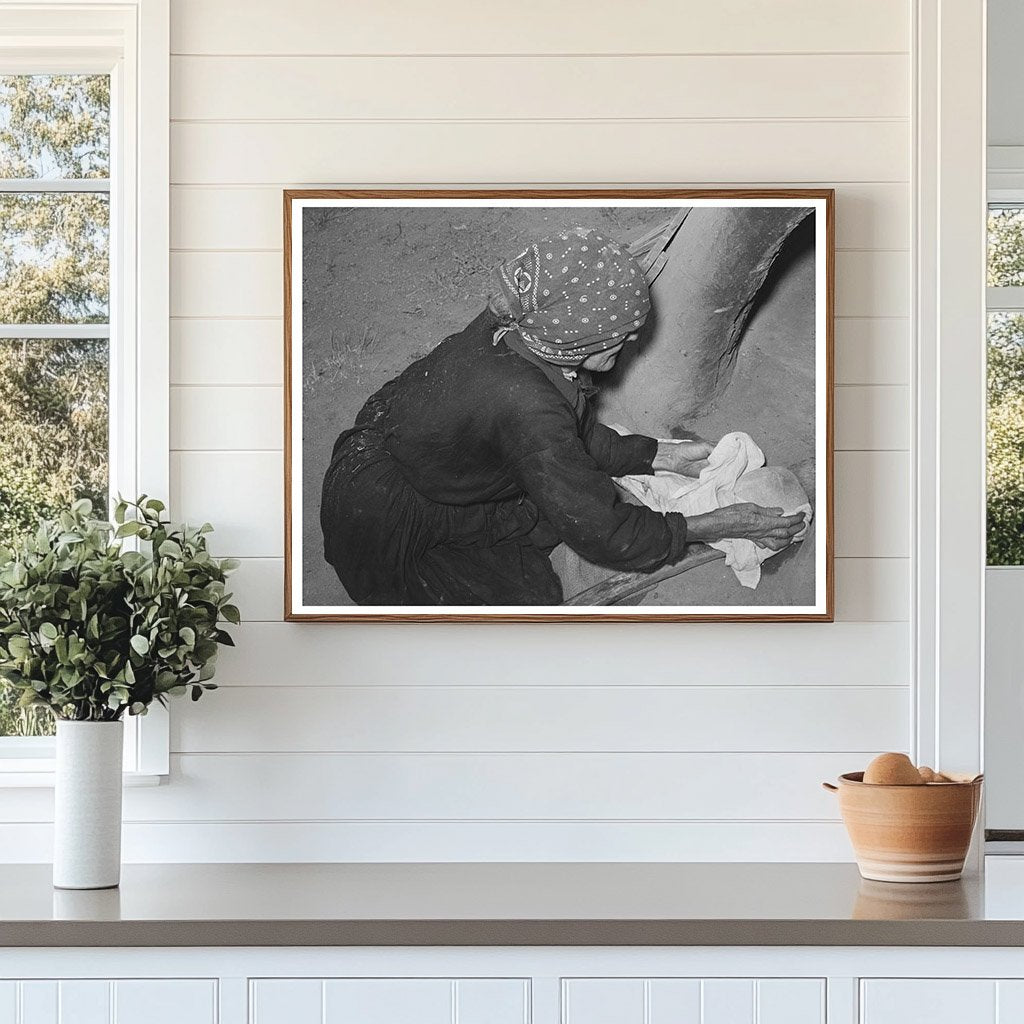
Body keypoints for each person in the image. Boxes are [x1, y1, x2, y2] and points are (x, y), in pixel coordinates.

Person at [320, 226, 806, 606]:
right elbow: (608, 535)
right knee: (530, 593)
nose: (632, 340)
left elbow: (562, 433)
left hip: (409, 454)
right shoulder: (528, 407)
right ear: (579, 341)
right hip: (389, 520)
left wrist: (658, 456)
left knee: (558, 502)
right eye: (621, 333)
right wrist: (716, 523)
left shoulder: (520, 326)